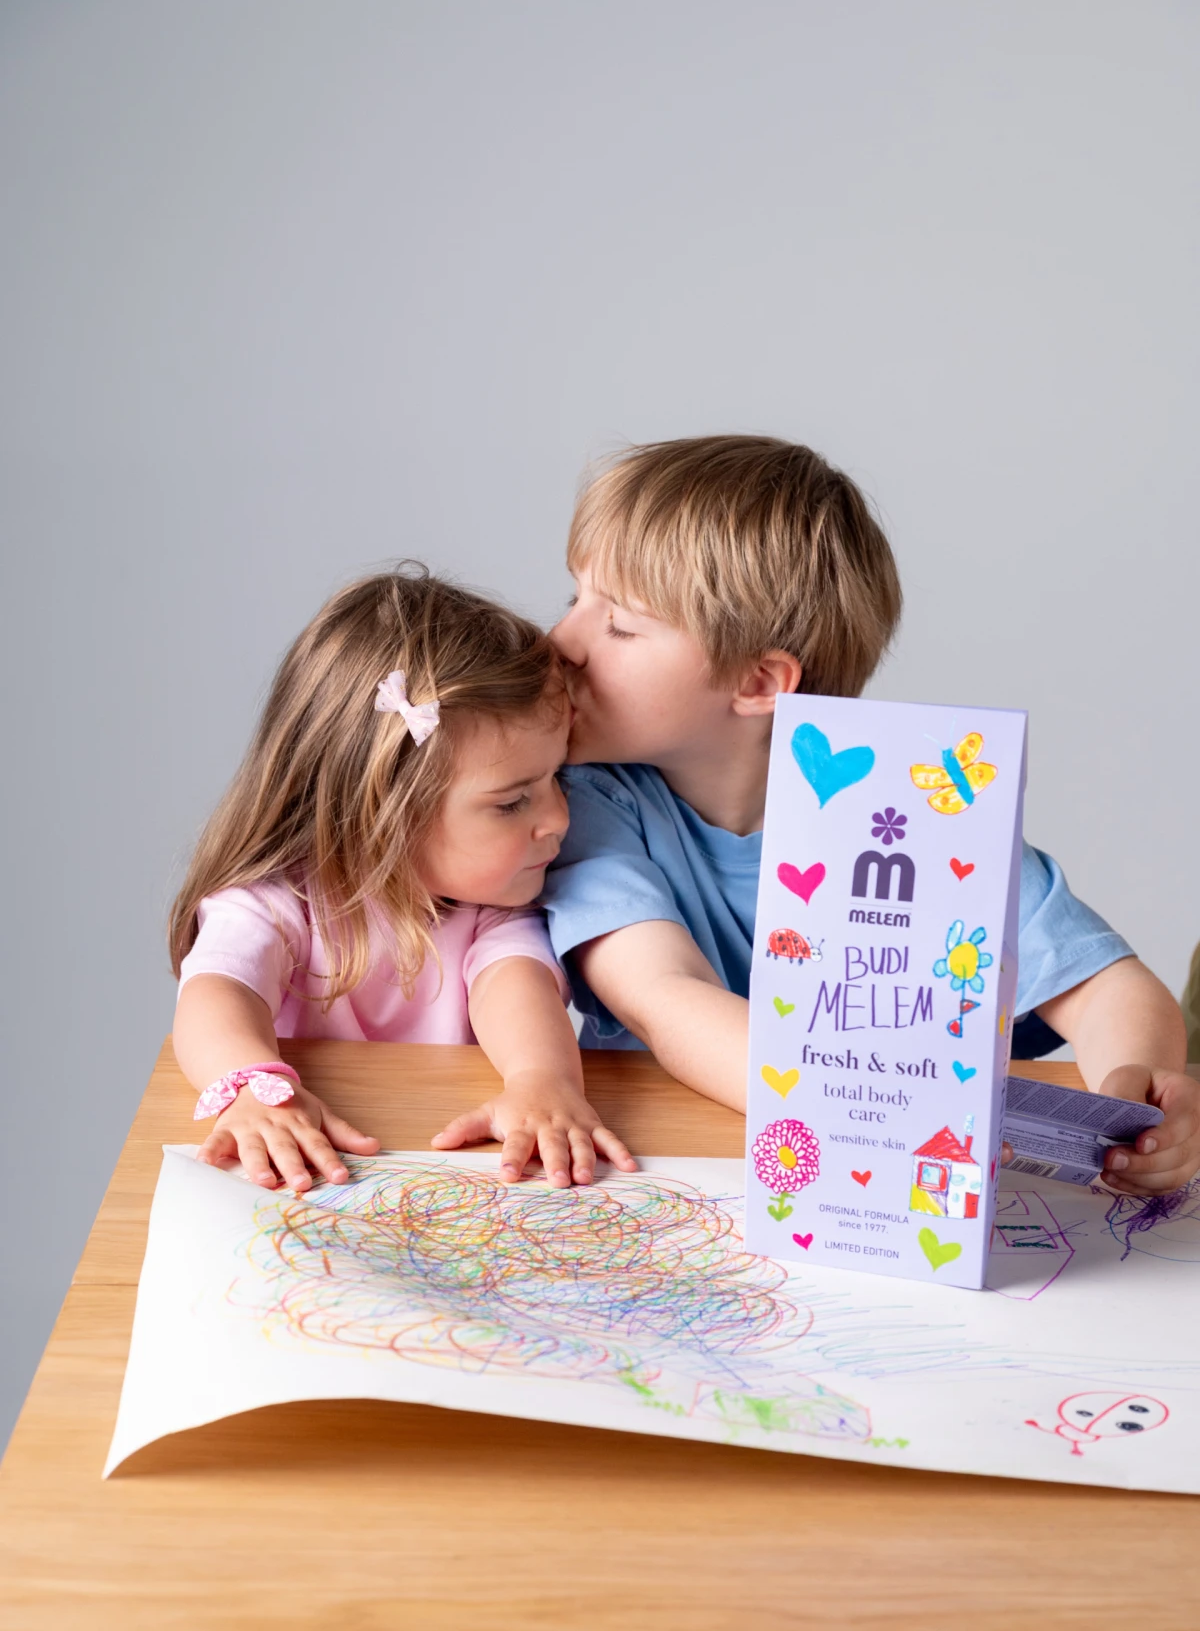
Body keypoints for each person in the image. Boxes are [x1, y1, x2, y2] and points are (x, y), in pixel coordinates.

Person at [542, 436, 1199, 1196]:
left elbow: (1105, 984)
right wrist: (884, 1114)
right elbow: (663, 995)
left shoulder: (920, 813)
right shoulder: (582, 803)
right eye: (573, 599)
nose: (560, 642)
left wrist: (1136, 1100)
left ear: (759, 683)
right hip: (667, 1178)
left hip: (882, 1201)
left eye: (619, 625)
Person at [170, 567, 634, 1193]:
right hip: (310, 1180)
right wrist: (254, 1089)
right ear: (384, 811)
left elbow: (514, 984)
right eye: (512, 802)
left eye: (558, 778)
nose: (559, 818)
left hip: (448, 1176)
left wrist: (542, 1082)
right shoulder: (277, 901)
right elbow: (218, 989)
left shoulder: (492, 903)